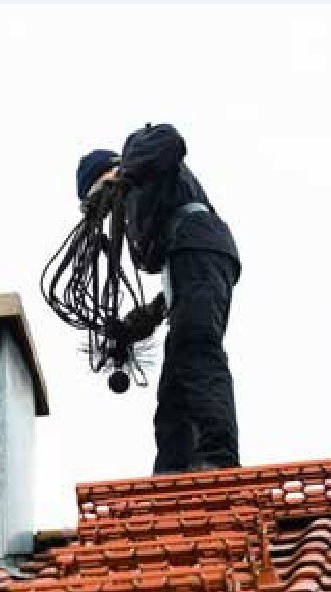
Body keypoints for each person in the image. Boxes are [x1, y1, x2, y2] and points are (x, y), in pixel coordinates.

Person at [76, 123, 241, 474]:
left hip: (198, 247)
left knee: (197, 350)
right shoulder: (140, 212)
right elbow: (171, 275)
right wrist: (146, 318)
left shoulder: (140, 152)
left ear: (108, 173)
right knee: (175, 381)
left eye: (98, 194)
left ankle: (219, 457)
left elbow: (170, 139)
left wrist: (125, 176)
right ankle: (172, 471)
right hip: (189, 262)